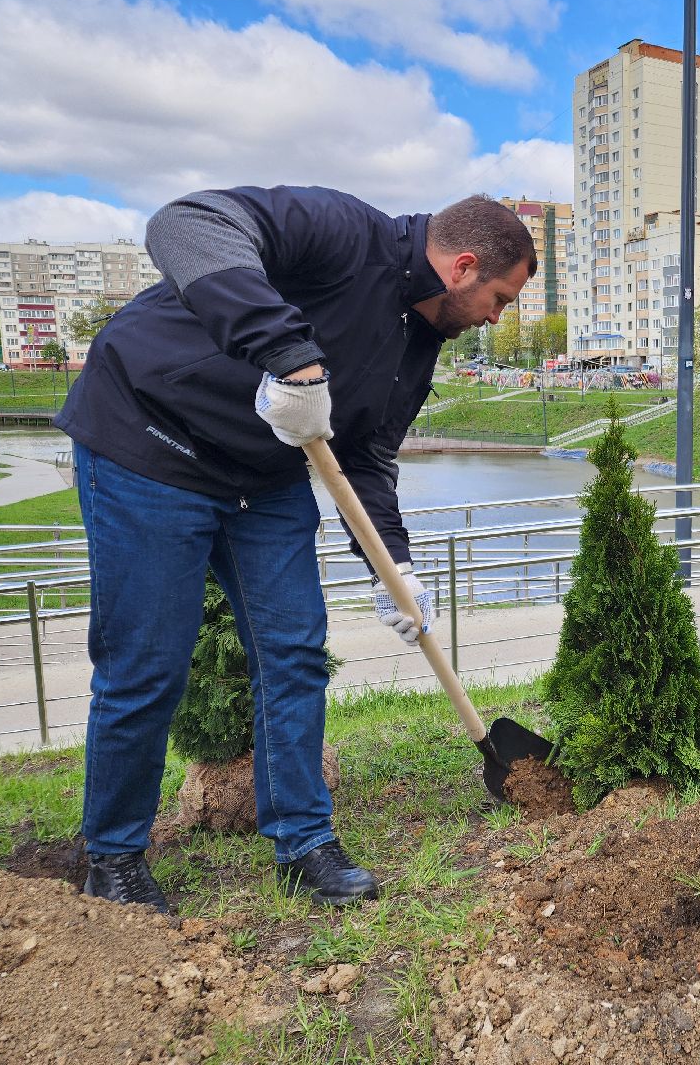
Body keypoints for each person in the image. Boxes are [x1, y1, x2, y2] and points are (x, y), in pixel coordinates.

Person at [55, 185, 535, 911]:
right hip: (149, 444)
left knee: (294, 655)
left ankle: (304, 840)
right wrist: (290, 355)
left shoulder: (419, 343)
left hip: (264, 480)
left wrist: (392, 565)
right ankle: (115, 856)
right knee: (147, 664)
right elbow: (185, 224)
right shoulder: (343, 233)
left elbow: (366, 452)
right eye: (501, 298)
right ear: (463, 266)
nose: (499, 318)